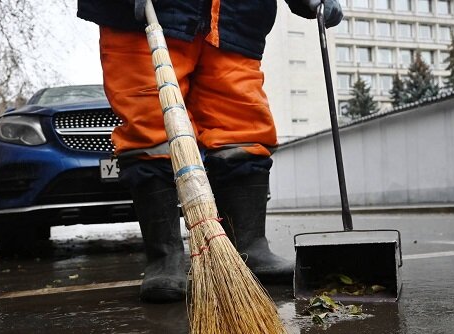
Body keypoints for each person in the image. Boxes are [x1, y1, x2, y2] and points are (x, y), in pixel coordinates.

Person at [77, 0, 343, 303]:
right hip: (150, 16)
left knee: (241, 125)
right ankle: (166, 256)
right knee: (151, 123)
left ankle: (249, 247)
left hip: (236, 18)